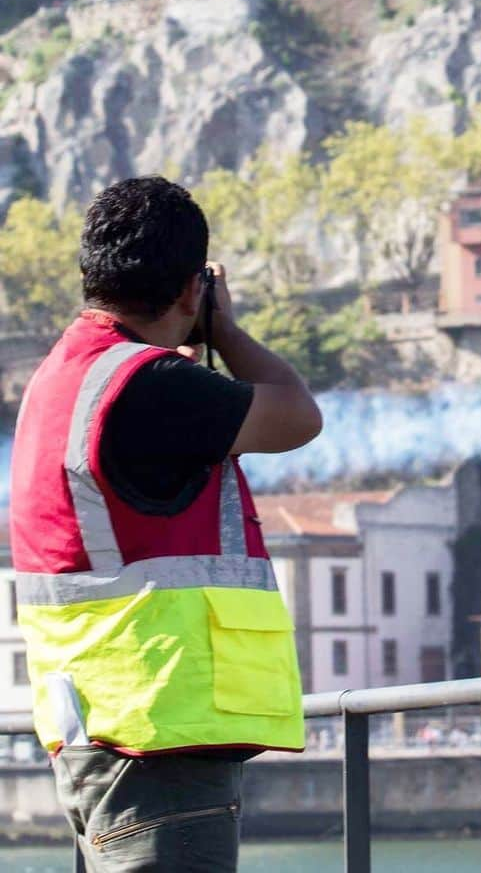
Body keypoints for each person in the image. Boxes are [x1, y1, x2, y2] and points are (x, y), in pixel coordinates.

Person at [10, 177, 322, 872]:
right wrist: (226, 331)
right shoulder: (151, 386)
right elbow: (299, 416)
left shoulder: (62, 378)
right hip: (157, 733)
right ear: (190, 290)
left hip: (97, 724)